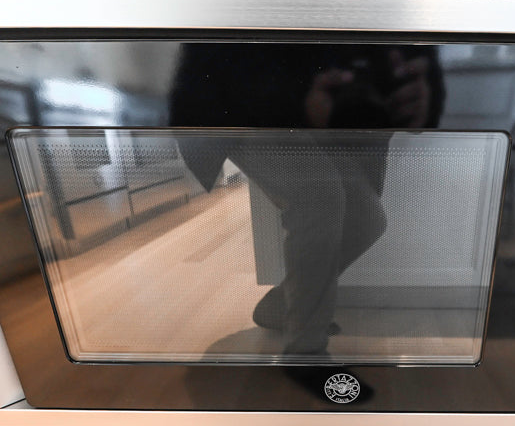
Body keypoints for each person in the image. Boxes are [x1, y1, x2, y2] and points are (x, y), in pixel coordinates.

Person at [169, 43, 444, 358]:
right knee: (320, 201)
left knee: (366, 219)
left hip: (320, 105)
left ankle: (280, 306)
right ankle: (306, 352)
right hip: (249, 89)